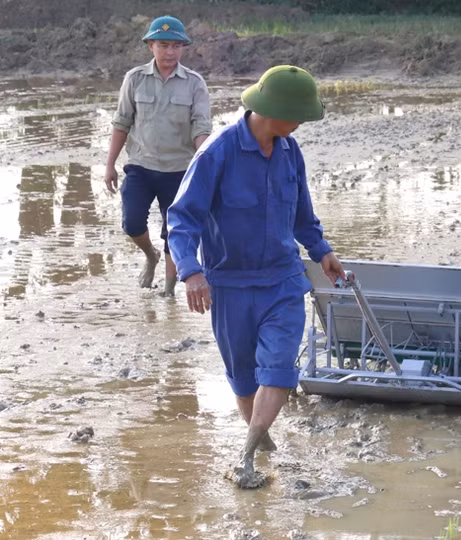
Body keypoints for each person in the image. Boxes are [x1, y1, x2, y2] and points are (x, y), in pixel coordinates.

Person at [166, 65, 345, 489]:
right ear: (273, 111)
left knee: (278, 367)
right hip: (230, 285)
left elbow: (302, 215)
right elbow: (182, 218)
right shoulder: (217, 153)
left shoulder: (290, 152)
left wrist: (322, 251)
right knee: (245, 379)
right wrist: (191, 272)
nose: (301, 124)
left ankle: (245, 457)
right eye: (297, 116)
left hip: (283, 281)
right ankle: (263, 444)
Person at [105, 15, 212, 296]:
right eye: (163, 45)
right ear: (150, 46)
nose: (170, 52)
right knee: (131, 223)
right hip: (141, 166)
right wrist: (110, 165)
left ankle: (168, 290)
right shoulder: (135, 79)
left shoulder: (194, 83)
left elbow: (201, 128)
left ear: (183, 48)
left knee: (173, 232)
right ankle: (150, 256)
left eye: (176, 46)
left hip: (179, 170)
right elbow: (121, 123)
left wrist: (205, 166)